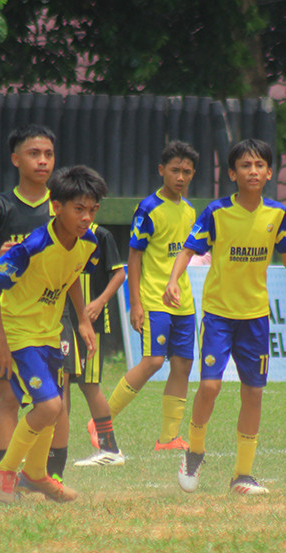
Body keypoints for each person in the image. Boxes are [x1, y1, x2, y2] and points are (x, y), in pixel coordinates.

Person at [163, 138, 286, 495]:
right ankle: (194, 453)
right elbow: (190, 249)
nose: (252, 171)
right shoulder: (216, 212)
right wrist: (173, 280)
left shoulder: (277, 214)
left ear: (269, 172)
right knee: (209, 387)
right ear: (232, 173)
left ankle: (242, 475)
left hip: (255, 318)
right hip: (218, 316)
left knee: (253, 394)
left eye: (259, 165)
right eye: (245, 165)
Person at [0, 165, 105, 504]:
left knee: (55, 406)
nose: (86, 217)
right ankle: (4, 475)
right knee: (49, 405)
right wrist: (0, 341)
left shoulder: (88, 242)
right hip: (20, 334)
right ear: (56, 207)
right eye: (78, 209)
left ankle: (36, 475)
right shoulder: (33, 245)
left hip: (51, 334)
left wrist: (82, 319)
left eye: (92, 210)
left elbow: (72, 276)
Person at [0, 125, 76, 478]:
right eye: (34, 154)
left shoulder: (62, 206)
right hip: (13, 316)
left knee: (58, 397)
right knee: (8, 396)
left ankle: (52, 474)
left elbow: (73, 265)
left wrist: (83, 320)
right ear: (16, 159)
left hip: (54, 318)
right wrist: (0, 255)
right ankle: (9, 473)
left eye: (48, 154)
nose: (43, 161)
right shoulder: (0, 205)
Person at [96, 140, 200, 453]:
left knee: (182, 365)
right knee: (154, 361)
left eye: (186, 172)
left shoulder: (190, 211)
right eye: (174, 170)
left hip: (184, 303)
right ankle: (102, 420)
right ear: (161, 171)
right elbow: (134, 256)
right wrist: (135, 303)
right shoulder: (148, 208)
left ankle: (168, 439)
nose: (180, 177)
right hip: (155, 301)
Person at [71, 222, 127, 466]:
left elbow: (120, 273)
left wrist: (100, 301)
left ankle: (110, 449)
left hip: (91, 322)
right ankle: (50, 449)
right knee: (59, 382)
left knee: (89, 384)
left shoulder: (101, 235)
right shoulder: (56, 232)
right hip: (60, 318)